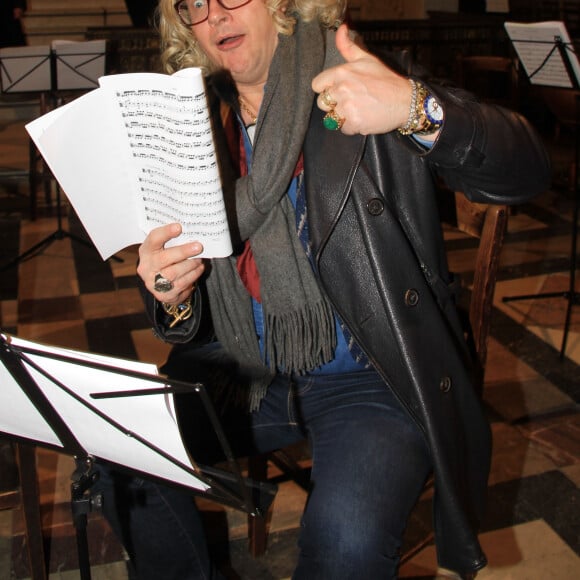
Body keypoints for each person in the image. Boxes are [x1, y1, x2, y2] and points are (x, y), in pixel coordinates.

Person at [105, 1, 551, 579]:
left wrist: (415, 109)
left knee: (346, 547)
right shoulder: (190, 123)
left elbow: (527, 170)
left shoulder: (361, 81)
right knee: (111, 454)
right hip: (238, 370)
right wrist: (173, 293)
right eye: (193, 2)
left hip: (370, 370)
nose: (214, 15)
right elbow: (177, 301)